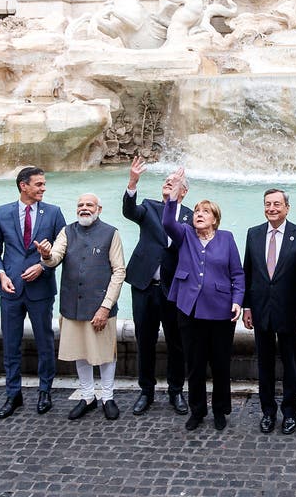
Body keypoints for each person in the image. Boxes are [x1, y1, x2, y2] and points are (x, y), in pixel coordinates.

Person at [160, 168, 244, 430]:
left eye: (205, 212)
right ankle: (197, 411)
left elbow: (238, 274)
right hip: (189, 309)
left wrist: (238, 300)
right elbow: (167, 224)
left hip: (221, 312)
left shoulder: (227, 238)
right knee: (194, 365)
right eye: (197, 211)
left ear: (215, 219)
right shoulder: (185, 234)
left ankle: (220, 410)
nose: (199, 215)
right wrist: (173, 196)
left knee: (219, 365)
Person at [37, 193, 125, 421]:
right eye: (80, 205)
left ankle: (107, 397)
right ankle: (87, 396)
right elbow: (55, 257)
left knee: (105, 354)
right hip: (72, 306)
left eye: (89, 205)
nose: (84, 208)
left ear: (99, 209)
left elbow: (119, 271)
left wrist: (106, 307)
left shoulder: (111, 233)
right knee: (80, 353)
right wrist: (46, 255)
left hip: (100, 307)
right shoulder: (67, 231)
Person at [0, 166, 66, 419]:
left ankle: (45, 391)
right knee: (10, 344)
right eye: (39, 184)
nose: (43, 188)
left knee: (45, 342)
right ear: (24, 186)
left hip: (40, 288)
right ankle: (13, 394)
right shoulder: (2, 213)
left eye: (44, 184)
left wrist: (43, 265)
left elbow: (63, 250)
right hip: (10, 288)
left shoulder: (54, 213)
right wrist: (1, 274)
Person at [123, 156, 190, 416]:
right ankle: (146, 391)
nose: (168, 183)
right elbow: (129, 211)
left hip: (174, 289)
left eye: (174, 182)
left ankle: (176, 391)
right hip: (144, 286)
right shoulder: (149, 207)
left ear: (183, 191)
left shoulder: (192, 216)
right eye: (166, 180)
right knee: (145, 341)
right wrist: (133, 182)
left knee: (176, 343)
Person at [242, 188, 296, 435]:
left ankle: (290, 413)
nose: (272, 208)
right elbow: (247, 272)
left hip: (291, 313)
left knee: (291, 365)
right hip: (261, 311)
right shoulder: (253, 234)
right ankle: (268, 412)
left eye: (277, 204)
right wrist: (246, 306)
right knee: (265, 365)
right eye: (268, 204)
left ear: (287, 208)